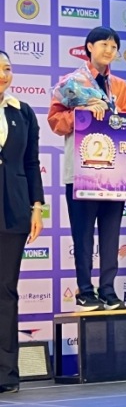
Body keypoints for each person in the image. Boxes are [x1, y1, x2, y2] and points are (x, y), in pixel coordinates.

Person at [48, 27, 126, 311]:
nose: (109, 50)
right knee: (82, 235)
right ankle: (85, 291)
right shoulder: (71, 83)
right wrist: (81, 114)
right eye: (103, 44)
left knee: (111, 234)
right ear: (89, 47)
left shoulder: (121, 86)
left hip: (115, 173)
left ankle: (108, 289)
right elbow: (55, 122)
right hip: (81, 172)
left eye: (114, 46)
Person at [0, 50, 44, 393]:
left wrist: (36, 207)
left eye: (7, 68)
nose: (3, 74)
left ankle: (5, 374)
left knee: (5, 291)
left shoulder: (23, 112)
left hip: (13, 208)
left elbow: (31, 163)